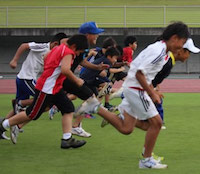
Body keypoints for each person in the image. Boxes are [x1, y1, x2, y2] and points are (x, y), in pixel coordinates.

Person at [75, 22, 190, 169]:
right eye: (183, 42)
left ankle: (95, 107)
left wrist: (152, 91)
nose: (182, 46)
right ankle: (146, 160)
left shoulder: (161, 50)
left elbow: (141, 72)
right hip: (136, 89)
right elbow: (139, 73)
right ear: (174, 38)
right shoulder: (159, 51)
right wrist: (151, 92)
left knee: (126, 128)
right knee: (157, 123)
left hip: (132, 87)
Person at [0, 34, 89, 149]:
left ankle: (67, 139)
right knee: (32, 114)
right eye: (79, 51)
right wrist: (77, 80)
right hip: (47, 88)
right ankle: (3, 125)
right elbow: (66, 70)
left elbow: (46, 57)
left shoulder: (58, 48)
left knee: (68, 108)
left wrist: (51, 69)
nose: (78, 54)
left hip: (54, 87)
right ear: (74, 46)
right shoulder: (68, 52)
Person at [0, 33, 67, 141]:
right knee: (44, 101)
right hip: (26, 79)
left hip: (25, 79)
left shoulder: (52, 53)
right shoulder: (42, 47)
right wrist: (15, 60)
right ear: (55, 43)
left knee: (18, 109)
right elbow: (24, 46)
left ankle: (1, 128)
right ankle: (19, 107)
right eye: (60, 46)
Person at [152, 38, 200, 129]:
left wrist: (154, 89)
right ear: (180, 51)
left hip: (141, 87)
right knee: (153, 124)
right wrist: (152, 92)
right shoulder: (167, 61)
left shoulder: (169, 61)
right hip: (138, 88)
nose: (188, 56)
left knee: (127, 127)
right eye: (188, 53)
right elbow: (146, 75)